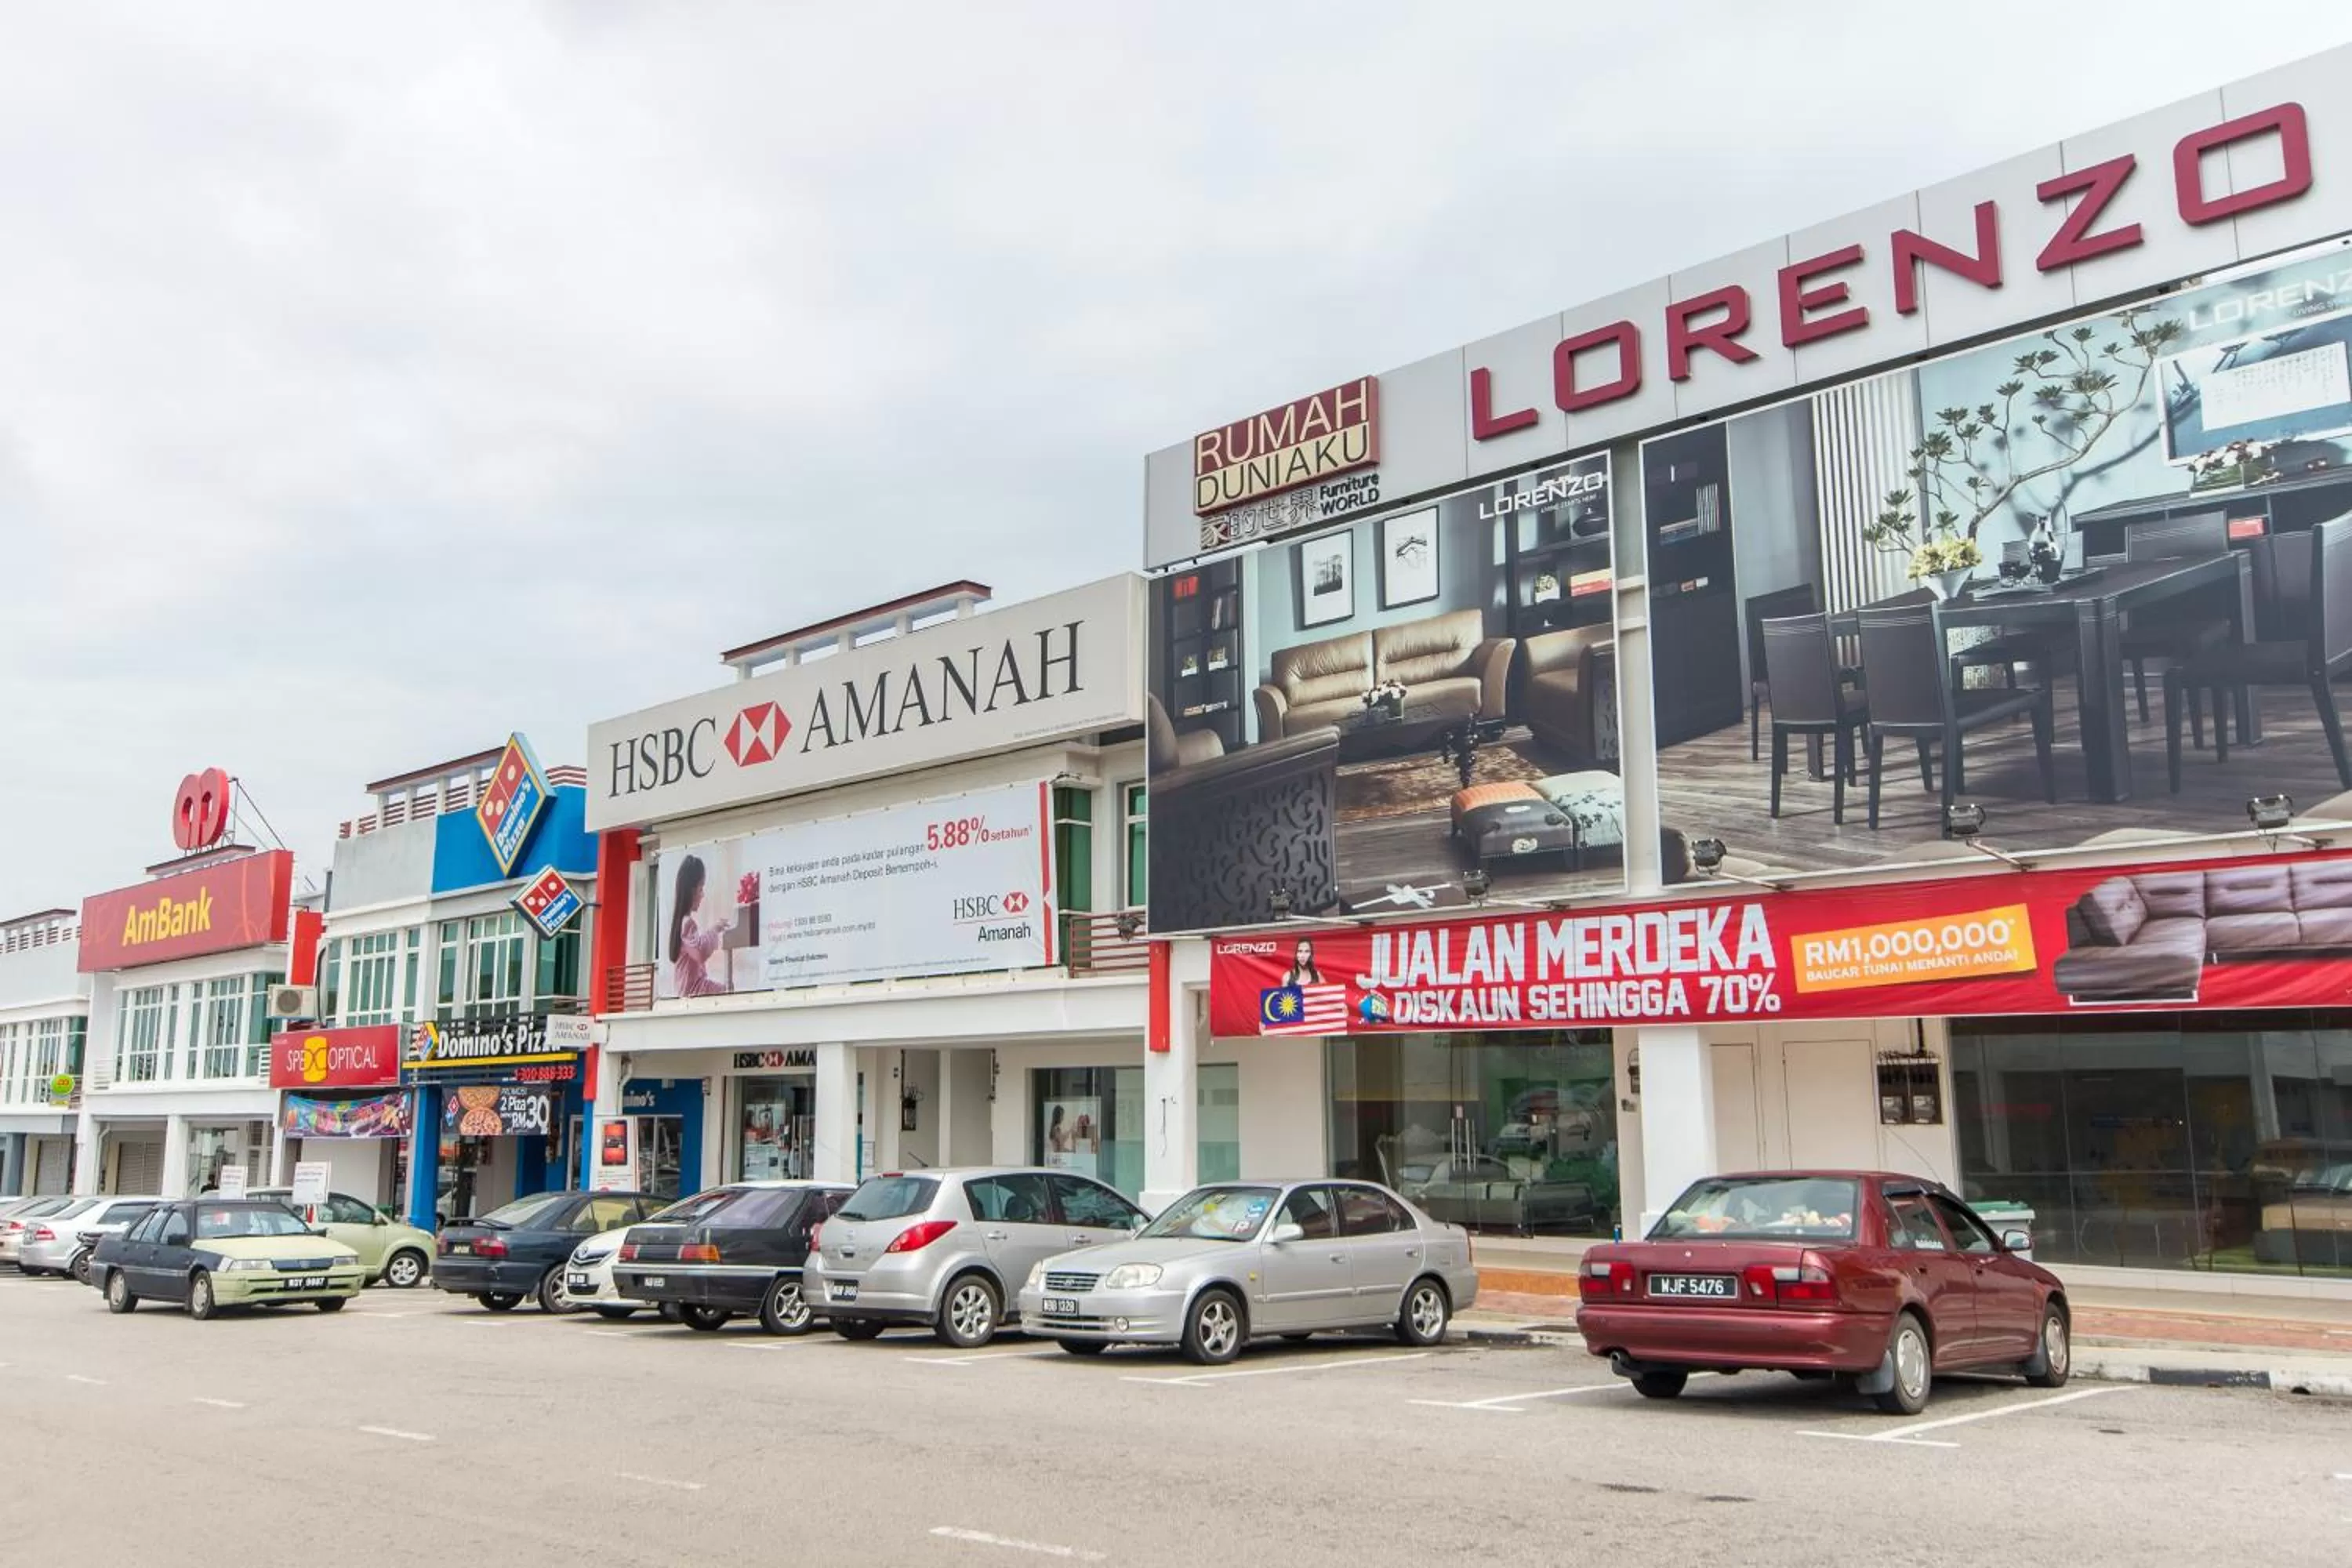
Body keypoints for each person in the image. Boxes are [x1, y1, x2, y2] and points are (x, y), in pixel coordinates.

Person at [669, 854, 732, 997]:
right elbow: (701, 951)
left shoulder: (682, 922)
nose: (703, 895)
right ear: (691, 891)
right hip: (693, 996)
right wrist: (715, 929)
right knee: (729, 991)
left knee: (728, 990)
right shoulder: (687, 924)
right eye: (701, 889)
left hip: (693, 993)